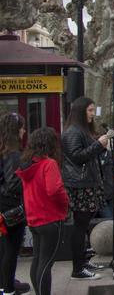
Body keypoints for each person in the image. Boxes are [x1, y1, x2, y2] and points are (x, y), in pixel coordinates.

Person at [17, 128, 70, 295]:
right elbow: (54, 190)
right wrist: (65, 202)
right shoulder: (49, 164)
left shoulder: (28, 165)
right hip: (50, 217)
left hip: (34, 218)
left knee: (38, 260)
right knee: (46, 263)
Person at [61, 97, 108, 281]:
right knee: (79, 227)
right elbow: (77, 156)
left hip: (87, 182)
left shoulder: (82, 130)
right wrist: (98, 145)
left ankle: (82, 261)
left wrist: (99, 145)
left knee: (84, 225)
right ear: (81, 111)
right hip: (79, 185)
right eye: (89, 110)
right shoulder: (73, 131)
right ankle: (77, 268)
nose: (92, 114)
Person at [0, 114, 26, 295]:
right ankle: (8, 287)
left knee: (3, 247)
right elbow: (12, 184)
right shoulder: (14, 154)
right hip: (10, 208)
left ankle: (5, 281)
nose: (24, 131)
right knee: (11, 248)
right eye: (22, 127)